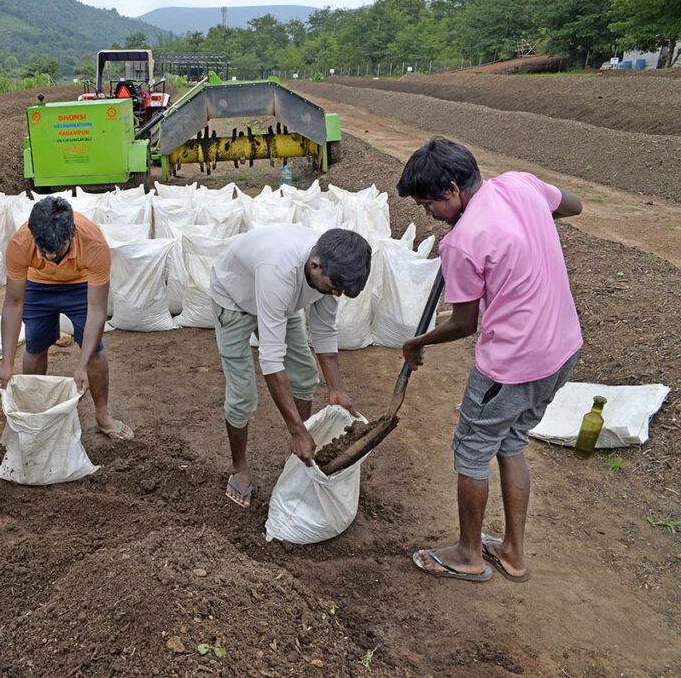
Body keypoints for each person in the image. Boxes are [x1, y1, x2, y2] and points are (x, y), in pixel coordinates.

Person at [397, 137, 583, 582]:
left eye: (428, 204)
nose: (428, 215)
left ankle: (468, 554)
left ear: (454, 190)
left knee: (473, 452)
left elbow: (465, 324)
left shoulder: (462, 242)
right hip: (562, 350)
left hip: (511, 366)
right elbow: (571, 205)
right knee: (512, 442)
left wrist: (416, 342)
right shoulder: (520, 184)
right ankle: (513, 553)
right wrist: (532, 220)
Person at [209, 225, 371, 508]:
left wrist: (336, 390)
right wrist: (296, 430)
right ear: (315, 265)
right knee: (242, 396)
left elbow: (324, 332)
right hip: (235, 300)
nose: (336, 295)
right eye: (334, 287)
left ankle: (297, 456)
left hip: (281, 305)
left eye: (341, 291)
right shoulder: (279, 270)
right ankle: (240, 467)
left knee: (304, 375)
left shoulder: (331, 273)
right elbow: (271, 359)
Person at [0, 196, 132, 440]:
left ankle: (102, 415)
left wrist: (81, 366)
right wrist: (6, 363)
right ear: (33, 236)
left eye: (57, 251)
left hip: (80, 285)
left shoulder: (94, 243)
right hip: (38, 285)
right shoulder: (20, 242)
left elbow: (97, 310)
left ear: (73, 234)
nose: (50, 258)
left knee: (95, 351)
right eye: (43, 251)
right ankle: (35, 412)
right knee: (35, 346)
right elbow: (14, 303)